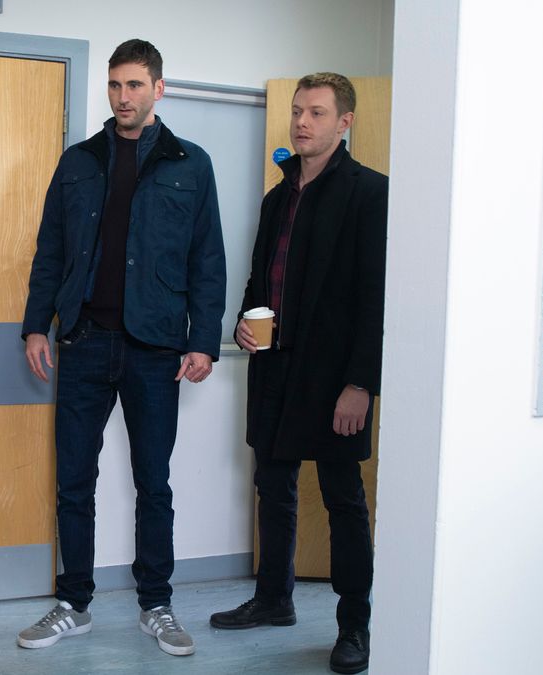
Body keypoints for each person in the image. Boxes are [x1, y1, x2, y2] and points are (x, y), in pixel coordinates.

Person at [17, 39, 226, 657]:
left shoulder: (192, 163)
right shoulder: (79, 161)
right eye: (115, 85)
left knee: (152, 481)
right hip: (83, 341)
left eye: (135, 85)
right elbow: (50, 248)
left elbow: (206, 258)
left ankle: (155, 605)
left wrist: (203, 341)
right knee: (74, 479)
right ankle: (72, 603)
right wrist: (37, 324)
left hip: (155, 347)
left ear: (159, 88)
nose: (123, 96)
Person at [209, 72, 387, 675]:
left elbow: (374, 298)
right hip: (274, 367)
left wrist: (361, 383)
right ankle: (273, 599)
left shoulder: (370, 194)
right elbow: (263, 278)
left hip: (337, 378)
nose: (301, 122)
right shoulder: (277, 197)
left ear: (345, 122)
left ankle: (355, 625)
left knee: (343, 498)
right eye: (296, 111)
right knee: (273, 486)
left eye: (315, 112)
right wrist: (243, 320)